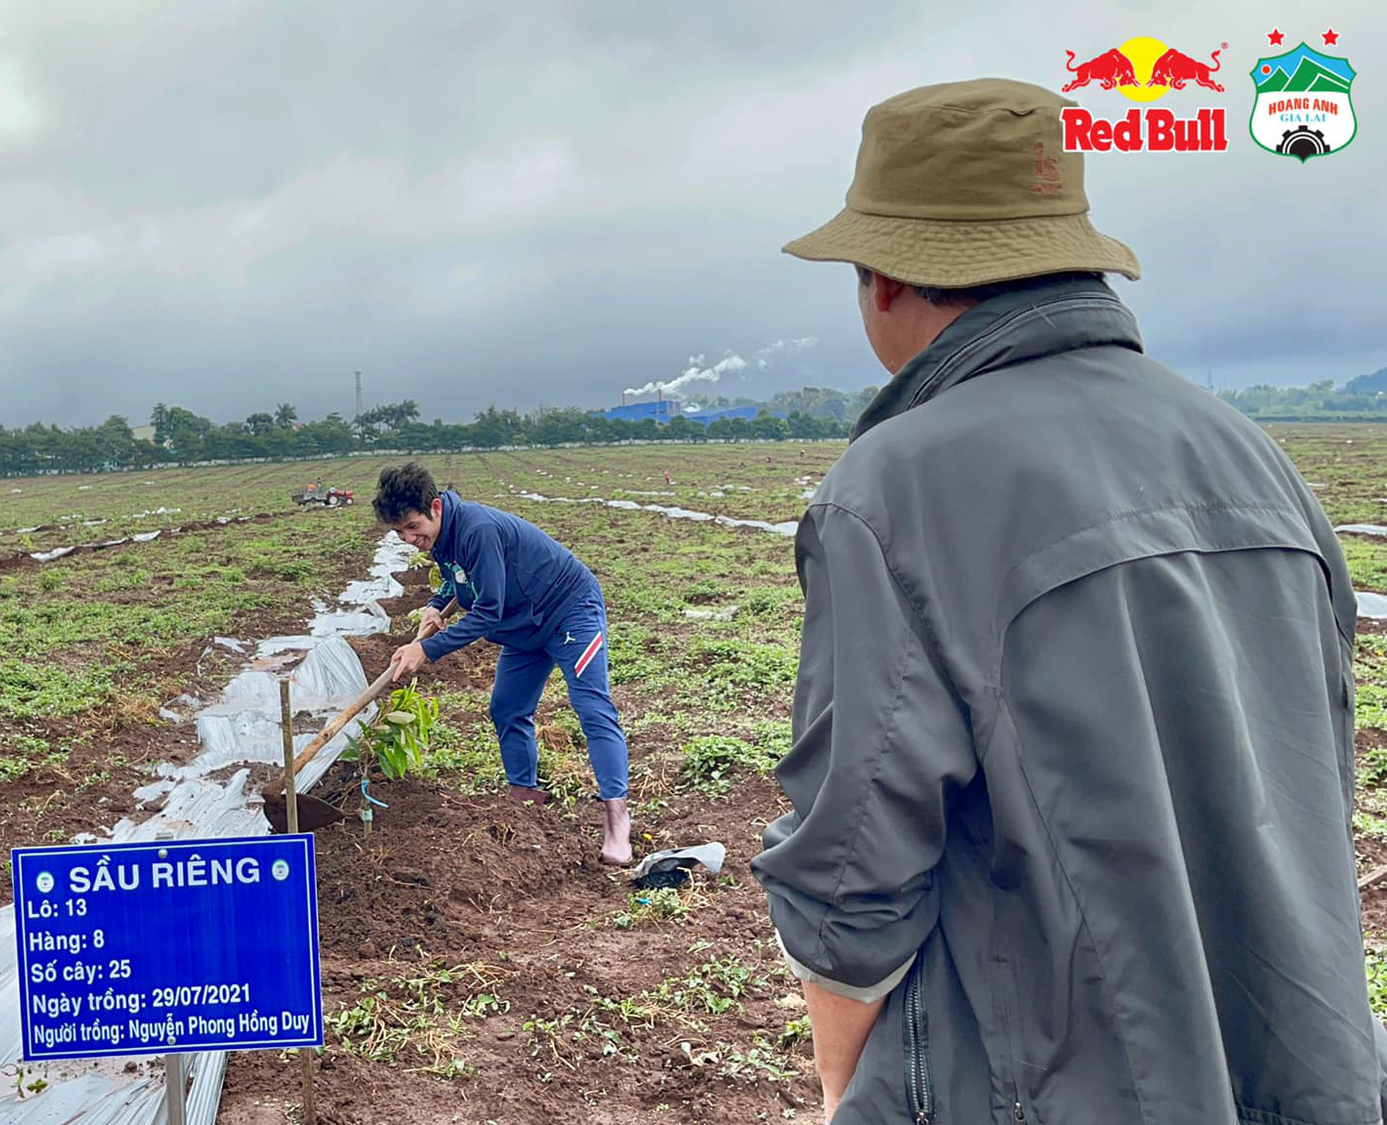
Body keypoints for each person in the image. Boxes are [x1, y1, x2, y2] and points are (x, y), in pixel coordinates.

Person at [748, 77, 1386, 1122]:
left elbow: (850, 865)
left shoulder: (896, 486)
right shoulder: (1253, 458)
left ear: (880, 281)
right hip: (1301, 1069)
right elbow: (1311, 779)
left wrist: (836, 1091)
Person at [375, 462, 634, 865]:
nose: (410, 538)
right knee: (507, 708)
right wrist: (435, 605)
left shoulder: (478, 529)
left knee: (591, 708)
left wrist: (426, 650)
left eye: (412, 526)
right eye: (399, 533)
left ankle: (617, 820)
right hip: (523, 623)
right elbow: (456, 579)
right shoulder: (444, 539)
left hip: (569, 612)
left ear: (436, 507)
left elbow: (488, 612)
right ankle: (524, 797)